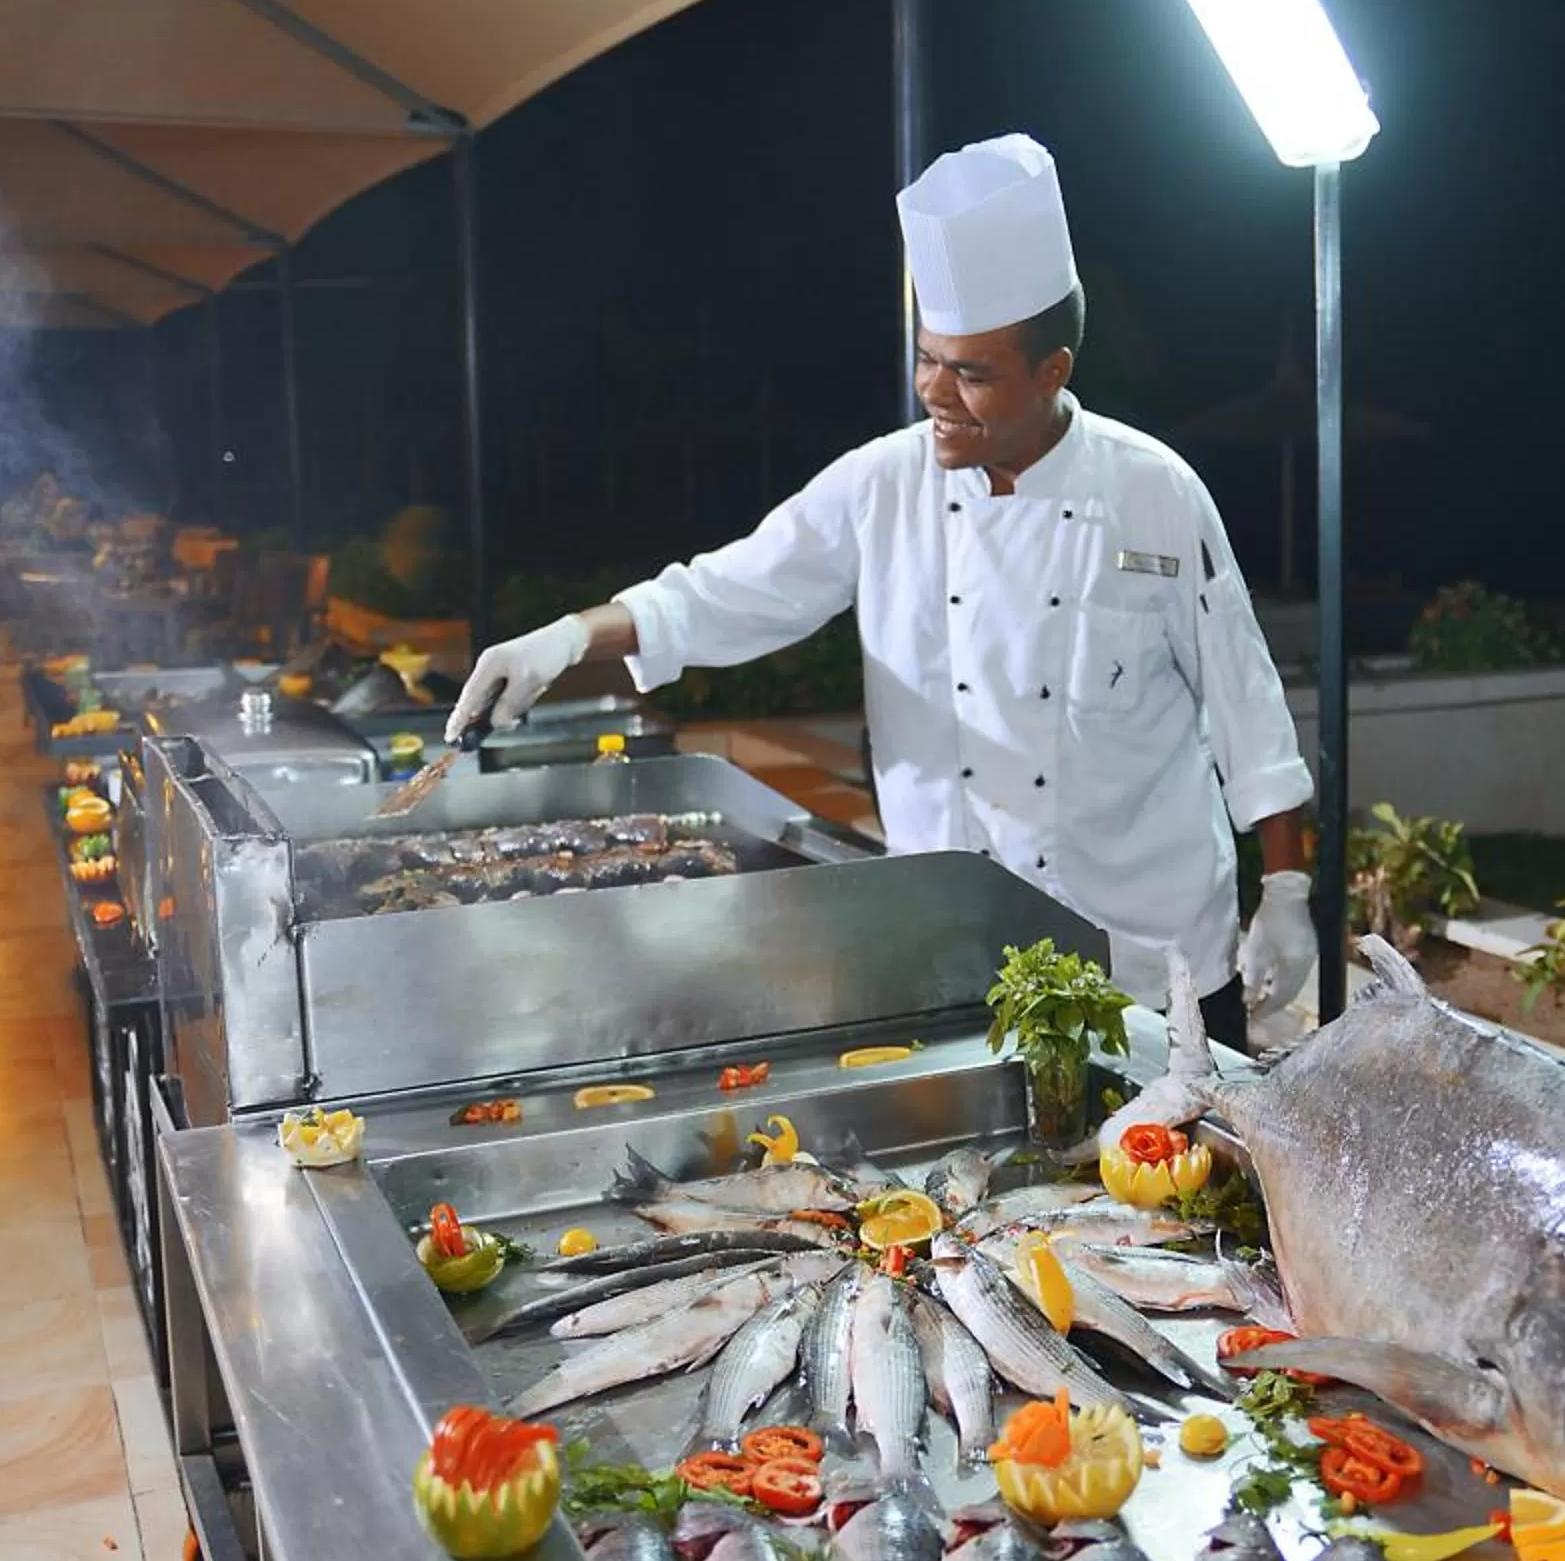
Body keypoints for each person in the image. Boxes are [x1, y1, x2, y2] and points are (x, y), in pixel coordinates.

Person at [447, 135, 1316, 1042]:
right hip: (961, 958)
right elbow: (720, 595)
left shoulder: (1156, 492)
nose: (935, 390)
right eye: (928, 358)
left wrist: (1287, 887)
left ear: (1052, 371)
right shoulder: (880, 486)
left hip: (1152, 961)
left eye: (971, 373)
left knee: (1176, 1185)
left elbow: (1244, 703)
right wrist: (563, 640)